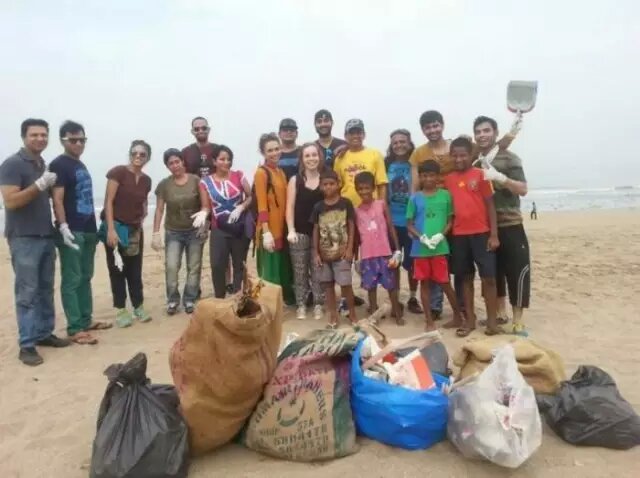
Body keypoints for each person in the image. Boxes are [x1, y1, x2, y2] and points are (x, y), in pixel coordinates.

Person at [409, 110, 518, 320]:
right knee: (438, 259)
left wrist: (512, 133)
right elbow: (415, 184)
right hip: (435, 214)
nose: (432, 130)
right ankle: (437, 307)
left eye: (435, 125)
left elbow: (492, 148)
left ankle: (464, 309)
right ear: (423, 130)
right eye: (428, 127)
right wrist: (415, 211)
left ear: (442, 125)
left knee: (461, 269)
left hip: (458, 215)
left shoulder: (457, 146)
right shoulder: (419, 154)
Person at [0, 119, 70, 366]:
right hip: (23, 237)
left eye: (43, 135)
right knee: (27, 292)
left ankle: (43, 333)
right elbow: (10, 201)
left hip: (44, 235)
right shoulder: (12, 164)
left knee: (45, 289)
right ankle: (27, 344)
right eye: (34, 135)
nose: (40, 139)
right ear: (24, 137)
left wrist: (62, 225)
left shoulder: (42, 164)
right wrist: (38, 185)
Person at [50, 120, 109, 346]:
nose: (78, 144)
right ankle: (75, 327)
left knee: (86, 275)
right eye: (73, 140)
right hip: (71, 229)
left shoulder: (79, 164)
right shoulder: (59, 164)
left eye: (82, 140)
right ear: (63, 140)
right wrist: (63, 226)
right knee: (72, 278)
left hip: (88, 228)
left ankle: (85, 319)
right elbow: (57, 199)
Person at [474, 115, 531, 336]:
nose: (482, 135)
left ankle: (518, 320)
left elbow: (523, 189)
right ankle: (500, 313)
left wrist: (501, 178)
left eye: (486, 130)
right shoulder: (476, 158)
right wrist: (511, 134)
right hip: (485, 226)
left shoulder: (510, 159)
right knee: (493, 272)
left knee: (517, 270)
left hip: (511, 223)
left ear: (495, 133)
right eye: (478, 131)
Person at [443, 137, 501, 337]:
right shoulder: (448, 179)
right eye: (455, 155)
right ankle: (470, 320)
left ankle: (492, 322)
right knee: (465, 278)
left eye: (463, 155)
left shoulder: (481, 175)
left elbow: (490, 205)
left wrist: (494, 234)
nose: (459, 159)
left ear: (471, 155)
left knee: (489, 278)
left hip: (482, 234)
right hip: (459, 236)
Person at [406, 161, 463, 331]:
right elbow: (409, 224)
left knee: (445, 283)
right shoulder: (415, 198)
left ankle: (458, 316)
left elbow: (450, 220)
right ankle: (429, 321)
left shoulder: (445, 195)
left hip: (440, 248)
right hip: (420, 249)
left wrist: (441, 235)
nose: (428, 179)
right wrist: (421, 237)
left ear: (438, 177)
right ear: (420, 177)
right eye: (424, 176)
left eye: (432, 175)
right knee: (424, 284)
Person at [102, 140, 152, 327]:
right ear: (130, 154)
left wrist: (143, 213)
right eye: (134, 153)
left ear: (147, 158)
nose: (138, 156)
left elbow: (143, 200)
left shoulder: (146, 180)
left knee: (135, 269)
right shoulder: (118, 172)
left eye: (142, 154)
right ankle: (121, 310)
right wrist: (111, 230)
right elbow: (108, 201)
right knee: (117, 269)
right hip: (116, 227)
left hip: (135, 229)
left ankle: (138, 306)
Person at [151, 149, 204, 315]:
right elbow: (159, 209)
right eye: (171, 163)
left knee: (194, 266)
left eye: (177, 162)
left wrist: (205, 222)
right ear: (167, 166)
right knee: (172, 266)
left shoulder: (196, 180)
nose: (175, 165)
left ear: (183, 162)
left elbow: (205, 205)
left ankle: (190, 298)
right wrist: (155, 233)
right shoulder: (164, 185)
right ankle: (173, 300)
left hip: (195, 232)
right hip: (173, 232)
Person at [195, 145, 252, 298]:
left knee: (239, 264)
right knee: (217, 265)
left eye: (228, 159)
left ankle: (239, 297)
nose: (226, 162)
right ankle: (219, 297)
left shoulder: (239, 175)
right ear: (214, 161)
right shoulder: (205, 182)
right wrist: (203, 213)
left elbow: (251, 196)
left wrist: (241, 207)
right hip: (218, 227)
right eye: (222, 159)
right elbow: (206, 206)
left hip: (238, 227)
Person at [354, 172, 404, 325]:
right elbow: (356, 235)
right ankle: (374, 313)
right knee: (371, 287)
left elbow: (390, 227)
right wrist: (356, 258)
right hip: (367, 255)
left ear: (373, 188)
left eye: (367, 188)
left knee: (391, 286)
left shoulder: (381, 204)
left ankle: (397, 313)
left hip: (385, 253)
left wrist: (397, 249)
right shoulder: (356, 211)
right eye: (360, 189)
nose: (364, 192)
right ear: (356, 190)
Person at [311, 169, 357, 328]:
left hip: (342, 254)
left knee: (346, 285)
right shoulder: (318, 207)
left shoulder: (346, 204)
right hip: (324, 256)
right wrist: (316, 253)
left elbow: (351, 226)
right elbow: (316, 229)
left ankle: (352, 313)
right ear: (320, 187)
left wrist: (350, 249)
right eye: (325, 184)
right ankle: (333, 315)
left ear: (338, 185)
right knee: (328, 286)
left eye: (331, 184)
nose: (328, 187)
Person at [385, 128, 423, 315]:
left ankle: (413, 297)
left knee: (413, 263)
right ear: (391, 146)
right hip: (392, 222)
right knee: (394, 262)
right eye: (395, 142)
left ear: (409, 143)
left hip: (412, 222)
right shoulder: (386, 165)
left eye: (402, 142)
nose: (399, 145)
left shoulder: (415, 164)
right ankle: (396, 299)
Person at [254, 133, 295, 305]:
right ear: (263, 152)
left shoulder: (280, 172)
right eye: (269, 150)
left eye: (277, 149)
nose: (274, 153)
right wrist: (266, 232)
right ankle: (269, 307)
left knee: (283, 270)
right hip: (269, 230)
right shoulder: (261, 173)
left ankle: (286, 301)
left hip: (282, 229)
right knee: (270, 274)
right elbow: (262, 204)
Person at [286, 142, 325, 320]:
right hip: (299, 232)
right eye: (307, 155)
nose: (311, 159)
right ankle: (301, 304)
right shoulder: (295, 180)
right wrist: (291, 230)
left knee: (318, 270)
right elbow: (290, 206)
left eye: (314, 155)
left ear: (319, 156)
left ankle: (318, 304)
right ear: (302, 159)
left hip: (320, 234)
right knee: (299, 271)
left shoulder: (325, 179)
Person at [334, 118, 388, 207]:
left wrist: (381, 207)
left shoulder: (375, 154)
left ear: (364, 135)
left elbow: (381, 184)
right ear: (345, 136)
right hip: (347, 207)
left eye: (358, 133)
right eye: (351, 133)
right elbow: (337, 187)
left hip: (371, 207)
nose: (355, 136)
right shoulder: (339, 158)